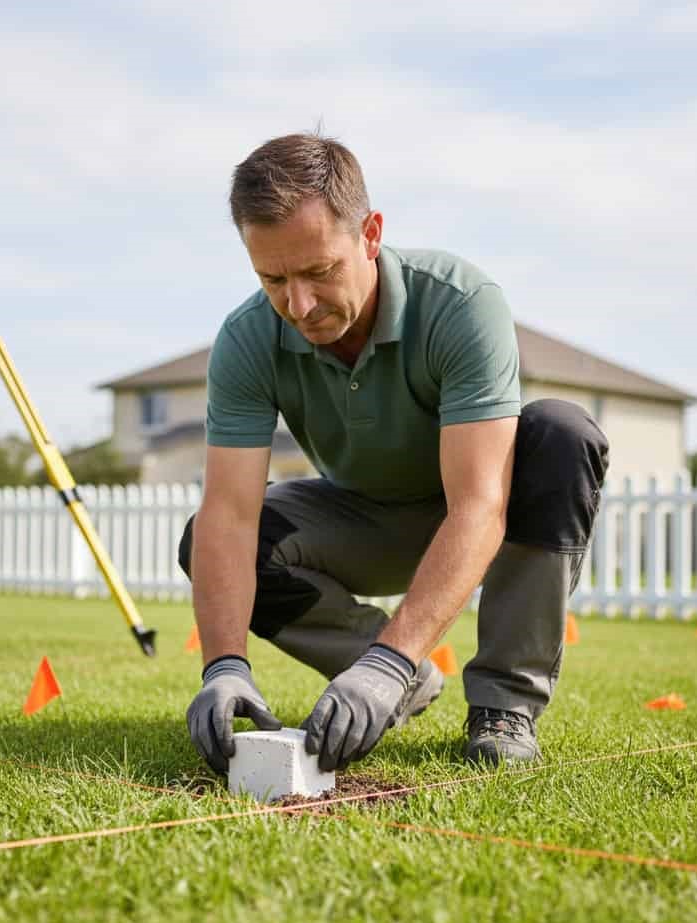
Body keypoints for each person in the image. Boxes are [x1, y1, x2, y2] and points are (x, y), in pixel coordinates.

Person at [179, 132, 608, 776]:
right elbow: (230, 516)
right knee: (208, 537)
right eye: (273, 279)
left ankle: (503, 705)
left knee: (561, 434)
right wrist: (223, 664)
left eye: (320, 272)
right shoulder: (247, 339)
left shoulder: (460, 304)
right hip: (363, 519)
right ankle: (399, 677)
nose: (299, 304)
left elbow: (479, 504)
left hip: (478, 512)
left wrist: (390, 658)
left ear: (371, 234)